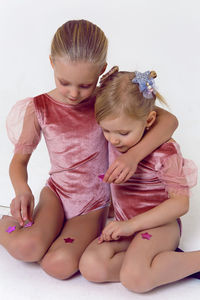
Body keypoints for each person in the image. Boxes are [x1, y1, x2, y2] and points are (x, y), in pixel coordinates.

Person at [0, 20, 177, 280]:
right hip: (56, 194)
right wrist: (22, 190)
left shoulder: (107, 99)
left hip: (92, 202)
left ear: (101, 70)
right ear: (51, 63)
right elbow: (19, 162)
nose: (74, 94)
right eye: (64, 82)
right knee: (27, 247)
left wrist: (133, 157)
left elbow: (169, 121)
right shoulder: (39, 108)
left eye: (84, 85)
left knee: (58, 265)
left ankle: (58, 235)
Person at [79, 67, 198, 292]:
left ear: (149, 120)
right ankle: (157, 264)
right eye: (106, 131)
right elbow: (116, 98)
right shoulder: (117, 131)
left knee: (135, 280)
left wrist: (131, 225)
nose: (113, 140)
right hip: (125, 223)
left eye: (123, 133)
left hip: (159, 225)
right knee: (90, 266)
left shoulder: (165, 152)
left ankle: (188, 262)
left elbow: (181, 203)